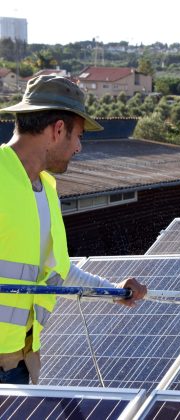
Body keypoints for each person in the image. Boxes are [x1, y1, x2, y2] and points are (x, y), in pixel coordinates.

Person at [0, 75, 147, 385]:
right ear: (58, 129)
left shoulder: (46, 190)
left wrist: (113, 291)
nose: (79, 147)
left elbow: (59, 272)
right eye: (79, 135)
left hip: (17, 362)